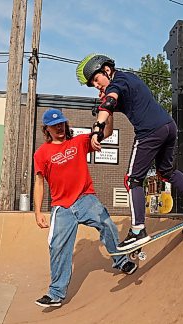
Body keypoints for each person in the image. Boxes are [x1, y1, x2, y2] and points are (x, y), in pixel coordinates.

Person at [76, 54, 183, 251]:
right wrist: (104, 115)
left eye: (96, 80)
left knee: (132, 180)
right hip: (168, 127)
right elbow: (110, 129)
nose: (96, 85)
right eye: (92, 84)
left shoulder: (118, 82)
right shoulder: (128, 80)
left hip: (149, 132)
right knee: (166, 172)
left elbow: (110, 103)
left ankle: (138, 230)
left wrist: (97, 125)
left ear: (106, 70)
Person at [33, 108, 137, 308]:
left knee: (106, 223)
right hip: (61, 207)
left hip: (85, 199)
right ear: (46, 129)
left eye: (62, 123)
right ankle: (56, 293)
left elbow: (105, 133)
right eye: (55, 125)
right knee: (57, 247)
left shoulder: (78, 142)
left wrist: (109, 112)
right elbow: (39, 183)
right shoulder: (42, 153)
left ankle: (121, 261)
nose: (59, 127)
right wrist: (38, 212)